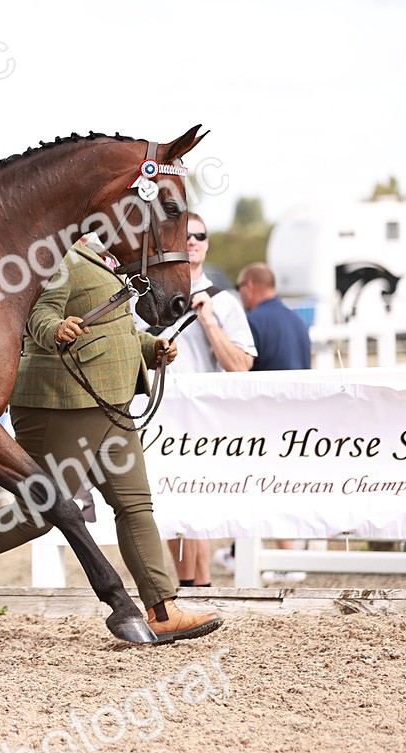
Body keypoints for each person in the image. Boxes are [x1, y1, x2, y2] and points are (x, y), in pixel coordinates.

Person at [0, 235, 223, 643]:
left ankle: (162, 609)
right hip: (63, 402)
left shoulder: (104, 258)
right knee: (38, 513)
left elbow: (115, 327)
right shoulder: (59, 258)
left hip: (109, 400)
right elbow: (38, 316)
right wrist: (57, 330)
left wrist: (151, 347)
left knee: (134, 505)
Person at [145, 212, 257, 588]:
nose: (192, 241)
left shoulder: (225, 303)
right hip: (158, 412)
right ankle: (185, 587)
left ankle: (201, 585)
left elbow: (241, 366)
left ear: (207, 243)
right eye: (185, 235)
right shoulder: (147, 297)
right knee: (167, 504)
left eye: (200, 235)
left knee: (197, 502)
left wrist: (208, 322)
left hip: (204, 417)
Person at [213, 262, 312, 581]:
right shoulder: (298, 321)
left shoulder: (253, 322)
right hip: (299, 417)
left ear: (251, 286)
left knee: (261, 486)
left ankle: (285, 559)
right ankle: (244, 551)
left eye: (240, 288)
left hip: (264, 418)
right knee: (280, 486)